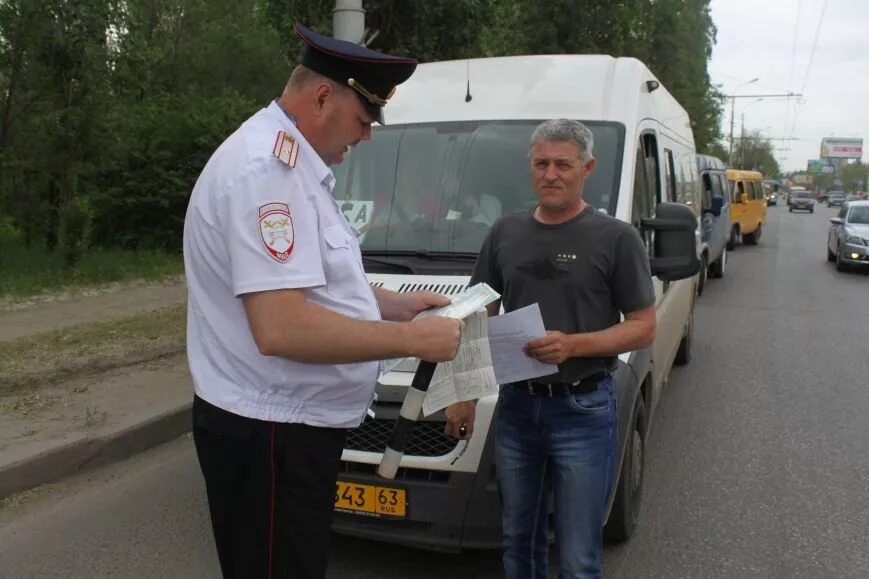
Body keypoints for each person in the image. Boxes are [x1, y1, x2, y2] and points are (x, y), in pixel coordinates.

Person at [183, 24, 462, 579]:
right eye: (363, 120)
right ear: (321, 98)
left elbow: (306, 281)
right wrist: (412, 339)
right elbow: (281, 327)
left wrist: (389, 304)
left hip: (287, 430)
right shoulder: (268, 172)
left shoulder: (295, 168)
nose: (366, 137)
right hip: (268, 435)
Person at [445, 119, 656, 578]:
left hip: (583, 408)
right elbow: (477, 314)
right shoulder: (505, 233)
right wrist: (463, 394)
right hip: (518, 408)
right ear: (530, 166)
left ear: (588, 168)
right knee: (519, 545)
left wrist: (573, 345)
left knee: (579, 556)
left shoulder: (617, 239)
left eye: (564, 164)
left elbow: (642, 328)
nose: (551, 174)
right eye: (542, 163)